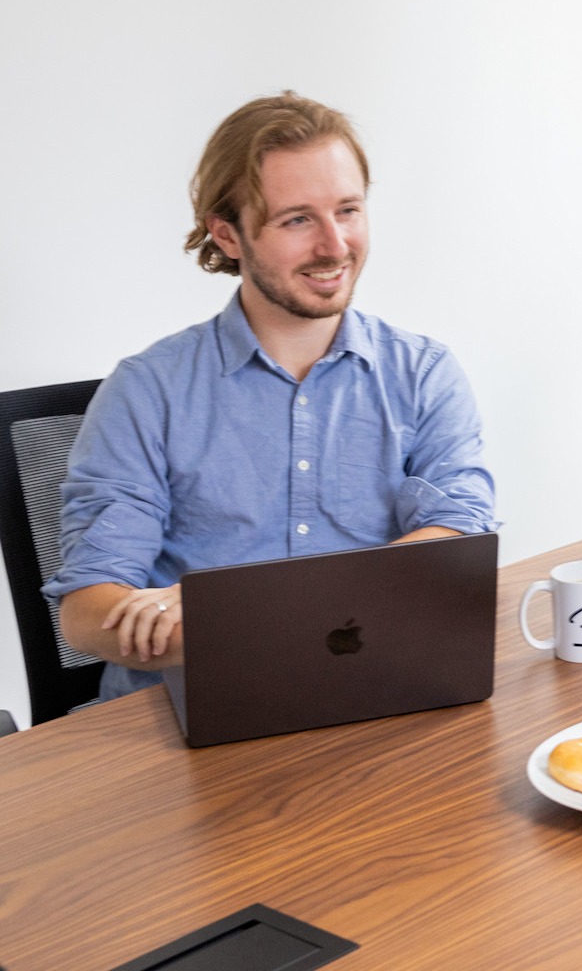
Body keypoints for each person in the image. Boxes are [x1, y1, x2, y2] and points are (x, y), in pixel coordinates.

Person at [48, 92, 497, 701]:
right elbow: (87, 611)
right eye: (297, 220)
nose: (335, 245)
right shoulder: (147, 391)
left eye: (348, 210)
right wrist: (321, 614)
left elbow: (460, 539)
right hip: (186, 719)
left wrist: (227, 614)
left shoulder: (423, 373)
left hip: (368, 692)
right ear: (228, 235)